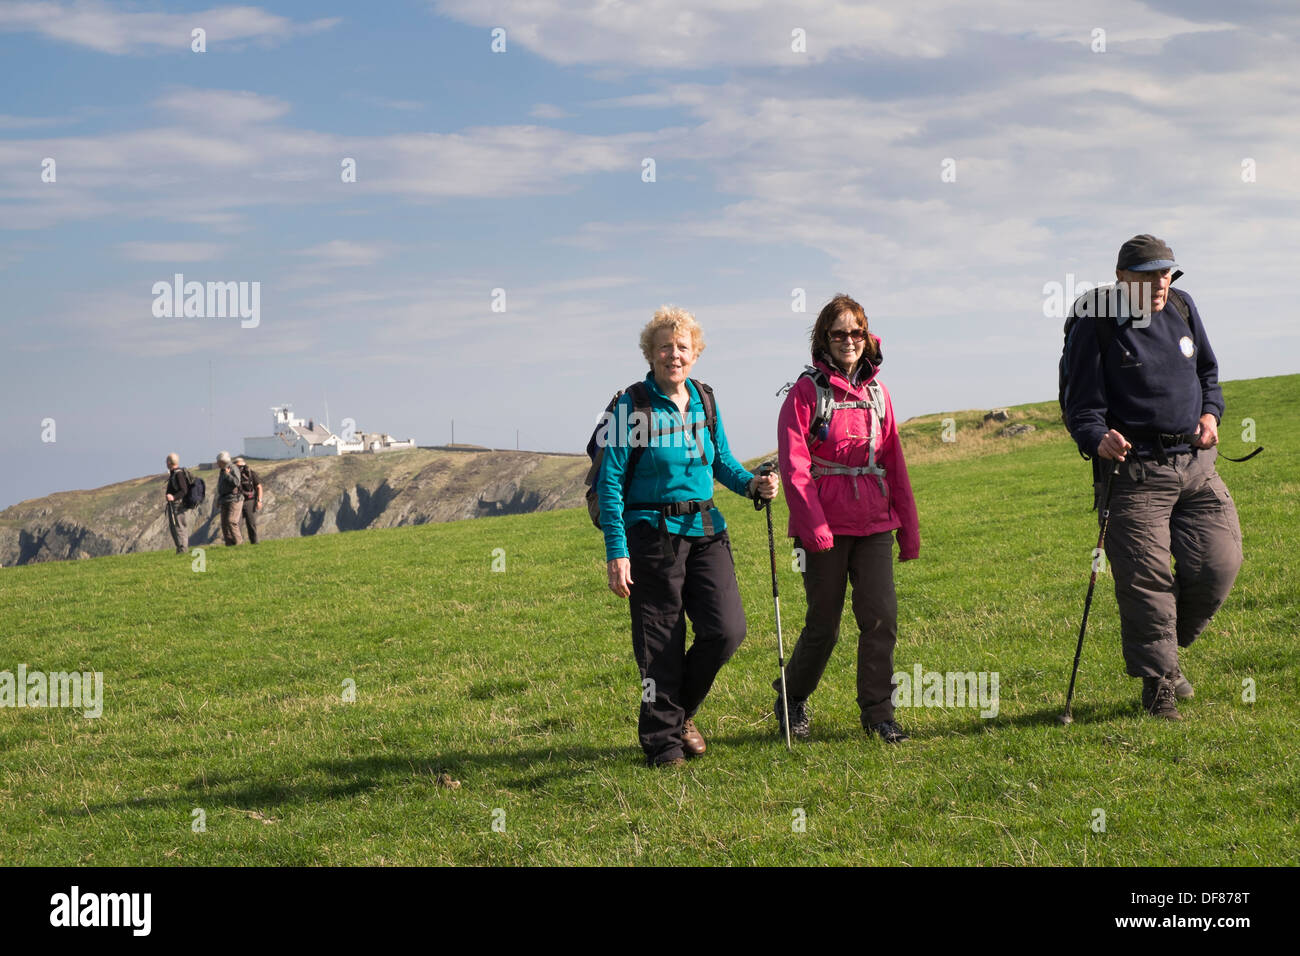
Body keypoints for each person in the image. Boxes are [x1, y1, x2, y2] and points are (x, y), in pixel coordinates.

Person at [1063, 234, 1242, 720]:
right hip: (1133, 472)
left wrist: (1211, 414)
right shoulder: (1094, 323)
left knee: (1219, 565)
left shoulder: (1182, 307)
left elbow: (1208, 373)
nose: (1160, 283)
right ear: (1122, 278)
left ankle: (1164, 651)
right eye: (1148, 276)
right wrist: (1097, 437)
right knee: (1147, 584)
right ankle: (1159, 686)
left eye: (1166, 273)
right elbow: (1079, 406)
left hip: (1196, 464)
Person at [599, 305, 779, 768]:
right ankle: (662, 744)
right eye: (664, 346)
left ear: (695, 353)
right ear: (650, 353)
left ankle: (680, 715)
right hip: (652, 536)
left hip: (706, 529)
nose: (673, 355)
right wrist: (617, 553)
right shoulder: (631, 405)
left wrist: (752, 484)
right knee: (661, 640)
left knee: (726, 630)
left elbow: (721, 461)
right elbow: (611, 481)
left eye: (682, 347)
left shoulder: (705, 398)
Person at [776, 294, 920, 743]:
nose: (849, 341)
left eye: (856, 332)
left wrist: (908, 530)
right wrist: (814, 526)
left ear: (866, 335)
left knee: (881, 619)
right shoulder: (805, 393)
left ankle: (879, 716)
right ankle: (791, 697)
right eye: (839, 333)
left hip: (875, 523)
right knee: (824, 626)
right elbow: (794, 466)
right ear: (824, 338)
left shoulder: (879, 393)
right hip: (825, 530)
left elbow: (893, 460)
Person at [163, 453, 192, 555]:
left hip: (178, 505)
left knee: (180, 527)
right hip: (174, 505)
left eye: (166, 461)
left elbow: (184, 490)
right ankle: (180, 549)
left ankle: (183, 550)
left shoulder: (178, 474)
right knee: (175, 527)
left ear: (169, 462)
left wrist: (173, 497)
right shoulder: (174, 473)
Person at [216, 452, 243, 546]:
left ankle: (238, 543)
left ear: (222, 461)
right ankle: (229, 544)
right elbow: (221, 486)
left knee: (231, 521)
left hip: (234, 499)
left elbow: (236, 482)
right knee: (224, 524)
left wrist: (228, 475)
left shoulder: (233, 468)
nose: (217, 464)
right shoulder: (222, 470)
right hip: (224, 499)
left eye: (218, 462)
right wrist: (218, 500)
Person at [234, 457, 263, 544]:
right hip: (241, 501)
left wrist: (259, 500)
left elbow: (259, 487)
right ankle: (239, 543)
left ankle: (254, 542)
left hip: (247, 501)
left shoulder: (251, 473)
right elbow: (259, 487)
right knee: (238, 524)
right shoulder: (248, 473)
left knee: (250, 523)